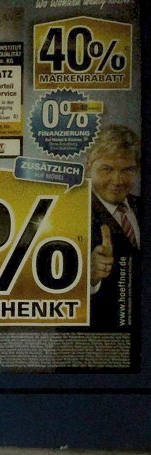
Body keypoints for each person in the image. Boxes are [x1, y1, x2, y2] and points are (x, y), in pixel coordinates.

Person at [87, 124, 141, 330]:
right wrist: (88, 276)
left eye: (127, 170)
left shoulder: (141, 206)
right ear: (89, 166)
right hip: (96, 338)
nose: (117, 181)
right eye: (107, 169)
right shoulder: (71, 211)